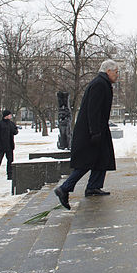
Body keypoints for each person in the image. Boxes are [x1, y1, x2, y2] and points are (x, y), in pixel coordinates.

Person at [54, 59, 119, 210]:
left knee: (103, 157)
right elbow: (93, 110)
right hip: (91, 130)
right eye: (116, 72)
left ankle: (93, 187)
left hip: (97, 128)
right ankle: (65, 188)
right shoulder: (99, 84)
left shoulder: (103, 83)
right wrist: (95, 131)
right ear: (108, 71)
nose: (117, 76)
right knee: (87, 161)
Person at [0, 110, 17, 182]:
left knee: (10, 161)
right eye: (9, 115)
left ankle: (10, 175)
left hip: (9, 145)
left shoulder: (11, 124)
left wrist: (14, 129)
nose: (10, 116)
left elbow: (15, 132)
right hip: (1, 146)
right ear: (6, 115)